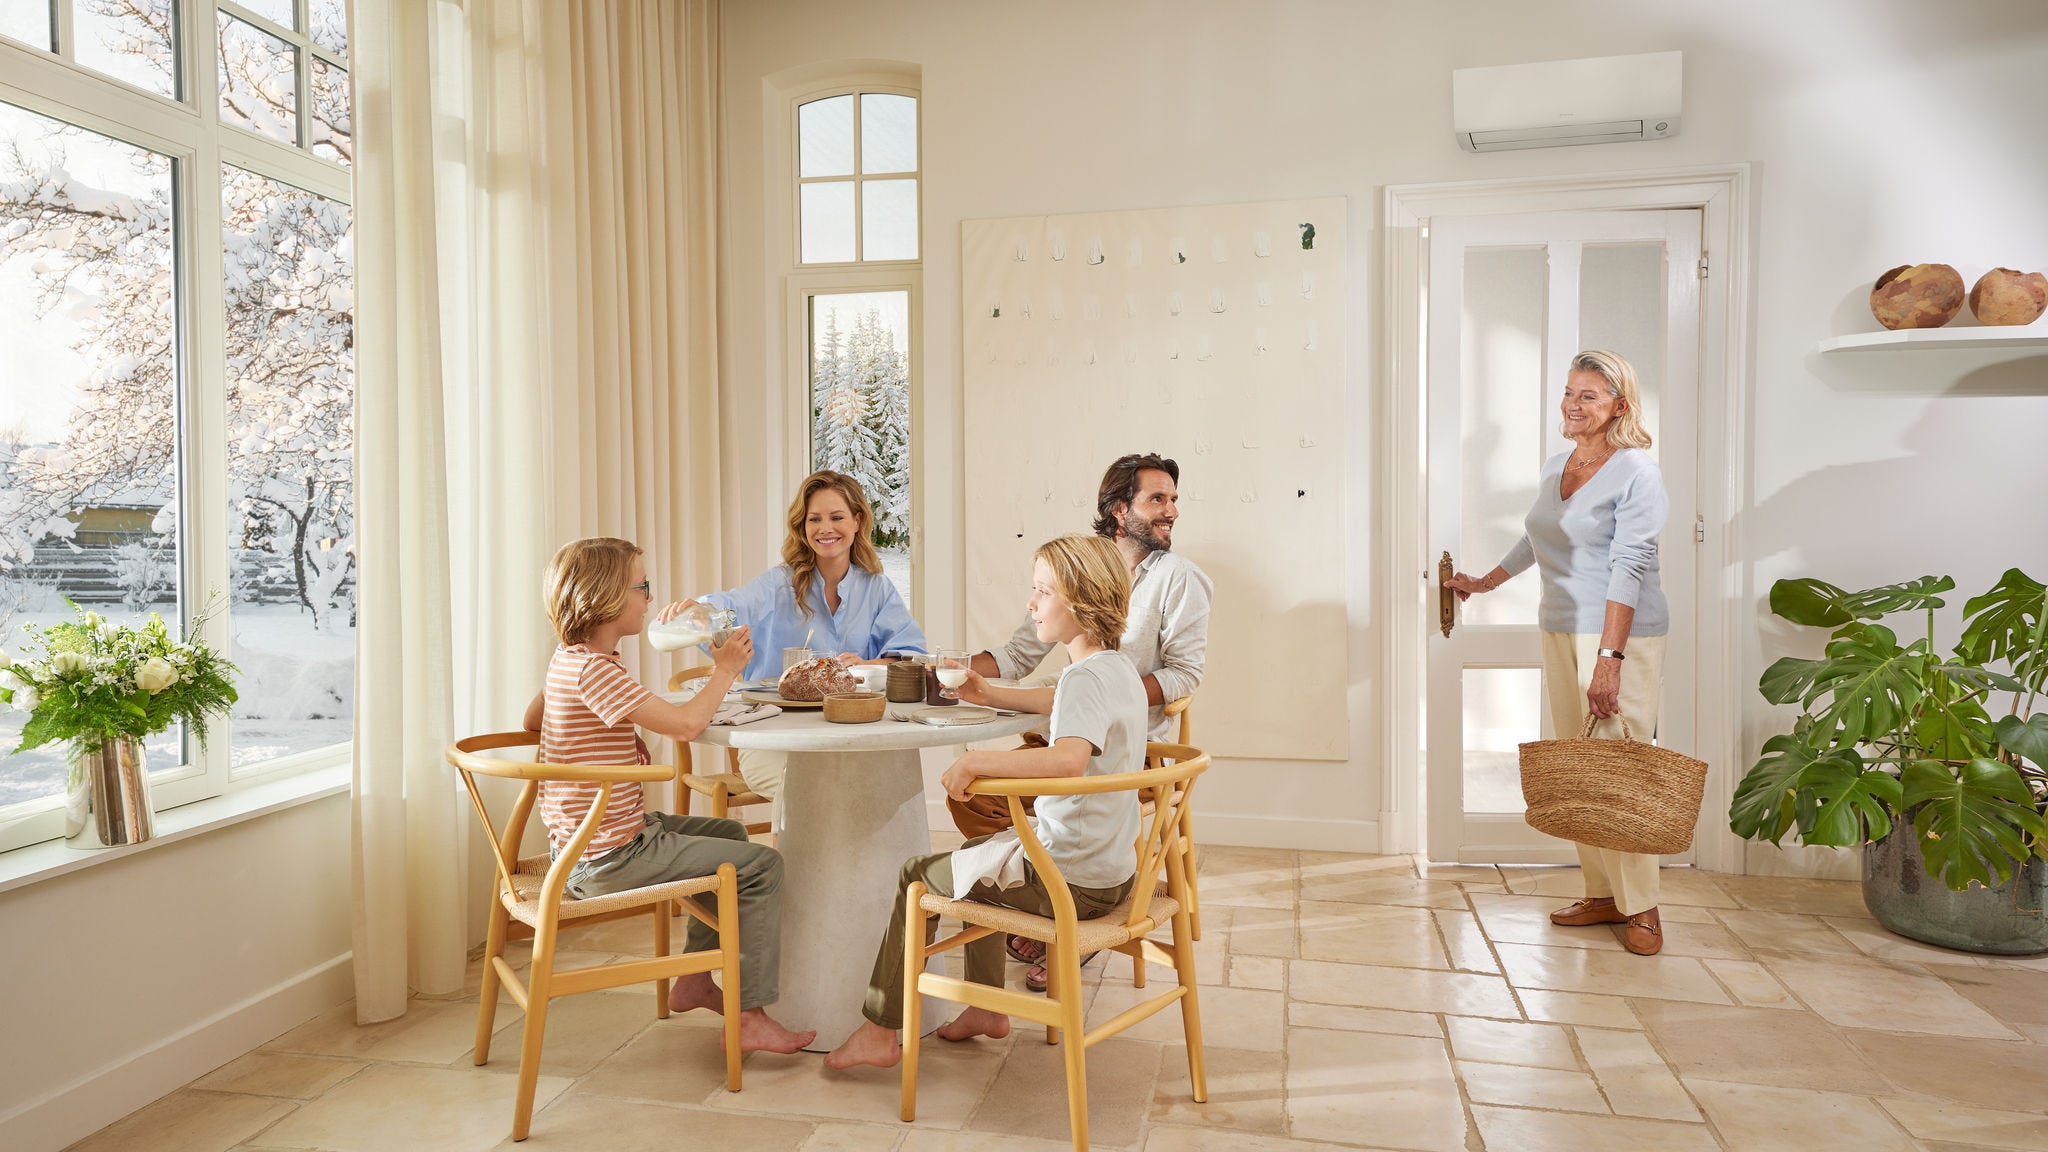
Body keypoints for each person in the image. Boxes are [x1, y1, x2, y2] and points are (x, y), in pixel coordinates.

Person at [823, 534, 1147, 1070]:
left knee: (916, 876)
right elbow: (1059, 697)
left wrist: (977, 762)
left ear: (1082, 601)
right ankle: (983, 1009)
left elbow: (1067, 759)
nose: (1031, 603)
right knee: (984, 849)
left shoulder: (1086, 679)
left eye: (1042, 592)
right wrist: (990, 694)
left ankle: (882, 1028)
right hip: (1111, 873)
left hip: (1068, 883)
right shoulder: (1114, 670)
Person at [521, 536, 814, 1051]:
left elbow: (530, 721)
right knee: (762, 865)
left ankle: (695, 979)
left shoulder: (570, 662)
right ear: (607, 596)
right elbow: (683, 726)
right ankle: (749, 1016)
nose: (650, 599)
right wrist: (725, 669)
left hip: (583, 847)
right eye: (643, 586)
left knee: (727, 832)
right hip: (609, 857)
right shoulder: (596, 670)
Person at [1446, 349, 1673, 956]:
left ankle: (1643, 906)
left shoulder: (1637, 473)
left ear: (1619, 407)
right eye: (1569, 392)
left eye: (1589, 396)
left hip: (1619, 636)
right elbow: (1538, 534)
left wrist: (1609, 659)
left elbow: (1630, 565)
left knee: (1619, 773)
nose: (1572, 405)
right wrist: (1486, 581)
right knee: (1581, 772)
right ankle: (1603, 894)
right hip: (1560, 627)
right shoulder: (1561, 463)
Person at [950, 452, 1212, 841]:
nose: (1171, 511)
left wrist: (1103, 703)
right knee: (971, 796)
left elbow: (1185, 674)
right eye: (1157, 499)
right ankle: (1058, 875)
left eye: (1173, 500)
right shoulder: (1078, 565)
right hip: (1060, 734)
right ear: (1120, 509)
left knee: (986, 792)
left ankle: (1064, 880)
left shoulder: (1179, 578)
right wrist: (950, 671)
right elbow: (1019, 655)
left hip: (1131, 750)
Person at [691, 471, 928, 823]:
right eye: (814, 519)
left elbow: (911, 656)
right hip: (772, 735)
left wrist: (865, 663)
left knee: (891, 781)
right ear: (802, 527)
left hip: (848, 734)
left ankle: (885, 876)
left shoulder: (876, 589)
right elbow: (732, 605)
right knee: (807, 791)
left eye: (836, 517)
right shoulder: (779, 584)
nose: (825, 529)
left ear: (857, 521)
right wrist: (701, 610)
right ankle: (795, 877)